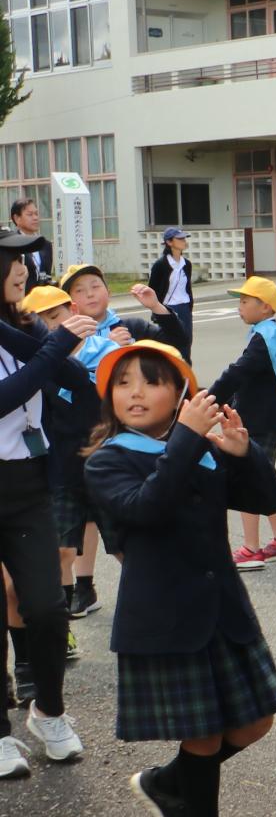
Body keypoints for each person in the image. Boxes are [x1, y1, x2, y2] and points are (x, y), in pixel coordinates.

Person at [87, 343, 276, 817]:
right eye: (123, 383)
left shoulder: (198, 448)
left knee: (256, 722)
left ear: (180, 394)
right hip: (167, 616)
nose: (134, 392)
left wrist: (243, 452)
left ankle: (168, 783)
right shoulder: (109, 459)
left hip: (222, 608)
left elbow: (266, 498)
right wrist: (187, 438)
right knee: (203, 733)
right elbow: (145, 509)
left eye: (151, 382)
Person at [0, 244, 92, 781]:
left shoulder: (25, 326)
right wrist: (55, 347)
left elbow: (74, 383)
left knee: (48, 607)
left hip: (28, 485)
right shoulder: (39, 337)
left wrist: (52, 345)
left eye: (23, 262)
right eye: (9, 263)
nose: (22, 270)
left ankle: (49, 711)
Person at [210, 277, 276, 570]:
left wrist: (210, 398)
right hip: (268, 416)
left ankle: (251, 548)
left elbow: (238, 372)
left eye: (244, 301)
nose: (239, 307)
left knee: (247, 478)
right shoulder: (269, 334)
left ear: (265, 307)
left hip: (261, 418)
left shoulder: (265, 338)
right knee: (264, 476)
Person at [26, 284, 101, 628]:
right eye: (40, 322)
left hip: (105, 461)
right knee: (62, 549)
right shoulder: (36, 365)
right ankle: (63, 621)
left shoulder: (105, 349)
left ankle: (154, 614)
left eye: (55, 316)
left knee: (127, 545)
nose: (51, 326)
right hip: (61, 467)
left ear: (73, 310)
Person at [58, 262, 190, 368]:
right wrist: (107, 348)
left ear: (109, 293)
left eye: (95, 286)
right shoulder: (65, 339)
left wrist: (156, 306)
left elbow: (178, 343)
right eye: (79, 290)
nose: (90, 294)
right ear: (70, 304)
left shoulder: (132, 328)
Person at [148, 227, 196, 344]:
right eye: (180, 239)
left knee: (186, 341)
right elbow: (152, 290)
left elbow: (187, 288)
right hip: (167, 308)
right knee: (169, 342)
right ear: (169, 242)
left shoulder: (186, 264)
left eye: (184, 238)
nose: (184, 241)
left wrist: (189, 306)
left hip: (184, 307)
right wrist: (156, 311)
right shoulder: (160, 265)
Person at [6, 198, 54, 283]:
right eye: (30, 214)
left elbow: (48, 274)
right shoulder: (11, 245)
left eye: (36, 214)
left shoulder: (46, 245)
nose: (35, 218)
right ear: (17, 218)